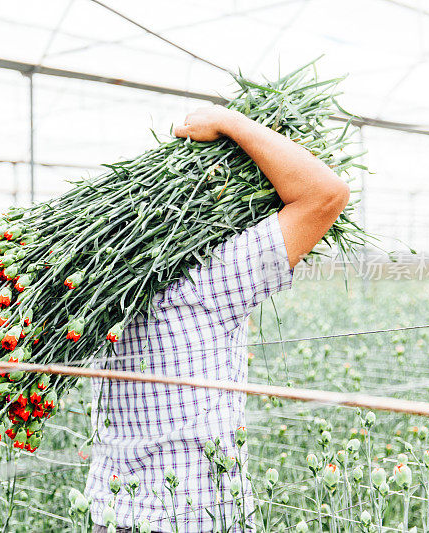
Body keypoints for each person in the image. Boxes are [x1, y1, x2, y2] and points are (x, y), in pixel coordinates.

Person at [85, 105, 351, 532]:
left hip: (112, 510)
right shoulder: (209, 278)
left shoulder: (100, 289)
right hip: (192, 516)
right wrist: (230, 123)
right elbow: (326, 194)